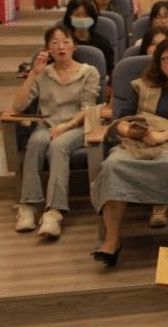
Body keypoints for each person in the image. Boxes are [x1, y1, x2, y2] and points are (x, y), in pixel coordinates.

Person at [91, 36, 168, 264]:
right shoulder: (142, 86)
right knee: (112, 165)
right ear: (159, 62)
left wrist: (164, 136)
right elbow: (122, 119)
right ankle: (112, 240)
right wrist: (130, 131)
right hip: (137, 143)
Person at [10, 26, 101, 238]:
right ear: (47, 49)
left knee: (59, 145)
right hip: (48, 124)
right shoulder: (43, 73)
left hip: (77, 126)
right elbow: (18, 105)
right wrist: (33, 74)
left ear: (74, 46)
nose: (61, 47)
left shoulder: (89, 72)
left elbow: (88, 109)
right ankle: (28, 205)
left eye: (66, 41)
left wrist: (65, 127)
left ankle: (54, 211)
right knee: (36, 142)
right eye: (55, 43)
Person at [63, 0, 114, 75]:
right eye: (77, 15)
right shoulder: (63, 43)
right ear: (69, 17)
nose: (82, 18)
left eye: (86, 15)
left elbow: (109, 71)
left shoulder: (103, 43)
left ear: (92, 18)